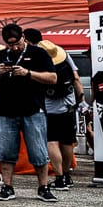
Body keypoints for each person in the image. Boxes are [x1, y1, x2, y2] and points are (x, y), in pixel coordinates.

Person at [0, 23, 58, 203]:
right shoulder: (0, 55)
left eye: (17, 43)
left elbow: (52, 78)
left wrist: (28, 73)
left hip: (33, 109)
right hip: (5, 110)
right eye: (10, 45)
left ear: (23, 37)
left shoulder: (38, 53)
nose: (15, 47)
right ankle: (7, 187)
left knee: (38, 151)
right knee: (5, 151)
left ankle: (43, 187)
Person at [38, 39, 85, 191]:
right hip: (68, 106)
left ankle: (58, 179)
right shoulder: (65, 56)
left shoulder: (40, 64)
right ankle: (66, 175)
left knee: (51, 142)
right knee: (67, 142)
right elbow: (76, 78)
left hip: (49, 108)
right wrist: (82, 99)